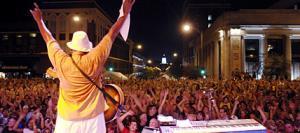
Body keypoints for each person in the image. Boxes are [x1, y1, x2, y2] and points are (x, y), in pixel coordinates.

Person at [29, 0, 135, 132]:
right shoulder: (94, 58)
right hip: (93, 119)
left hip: (67, 120)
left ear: (72, 48)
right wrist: (124, 14)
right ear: (87, 48)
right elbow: (112, 33)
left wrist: (39, 20)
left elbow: (48, 38)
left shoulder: (62, 61)